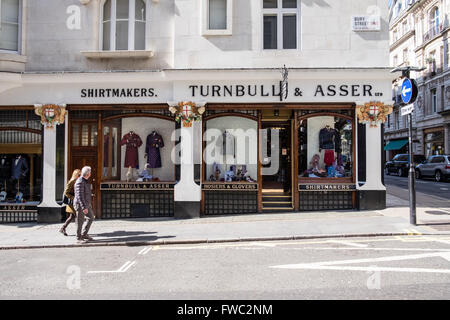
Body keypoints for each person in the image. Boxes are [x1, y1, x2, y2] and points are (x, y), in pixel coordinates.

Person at [74, 166, 95, 242]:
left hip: (86, 204)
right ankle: (78, 237)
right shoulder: (80, 181)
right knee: (80, 221)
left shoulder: (85, 180)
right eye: (90, 172)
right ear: (88, 174)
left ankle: (84, 234)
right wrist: (83, 207)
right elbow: (80, 196)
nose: (90, 174)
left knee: (91, 217)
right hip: (81, 205)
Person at [59, 169, 81, 236]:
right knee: (77, 216)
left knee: (72, 216)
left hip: (73, 201)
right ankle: (79, 233)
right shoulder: (72, 181)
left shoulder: (76, 181)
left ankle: (63, 228)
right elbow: (66, 192)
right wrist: (73, 198)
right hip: (71, 202)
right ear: (76, 175)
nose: (80, 176)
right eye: (79, 174)